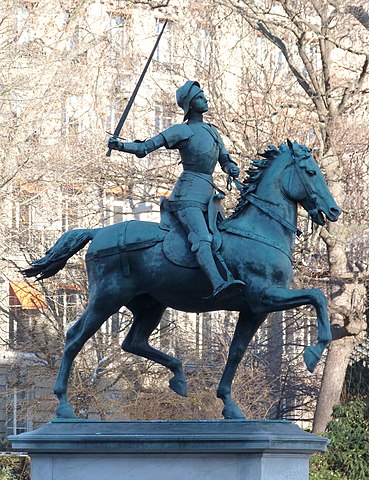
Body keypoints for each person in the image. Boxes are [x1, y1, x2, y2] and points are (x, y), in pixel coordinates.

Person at [108, 80, 245, 299]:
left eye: (204, 95)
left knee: (227, 238)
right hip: (187, 196)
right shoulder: (182, 131)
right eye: (200, 97)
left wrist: (231, 167)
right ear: (190, 104)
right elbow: (145, 148)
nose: (205, 99)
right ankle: (218, 284)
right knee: (202, 238)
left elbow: (224, 158)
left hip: (209, 197)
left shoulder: (212, 132)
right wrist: (121, 146)